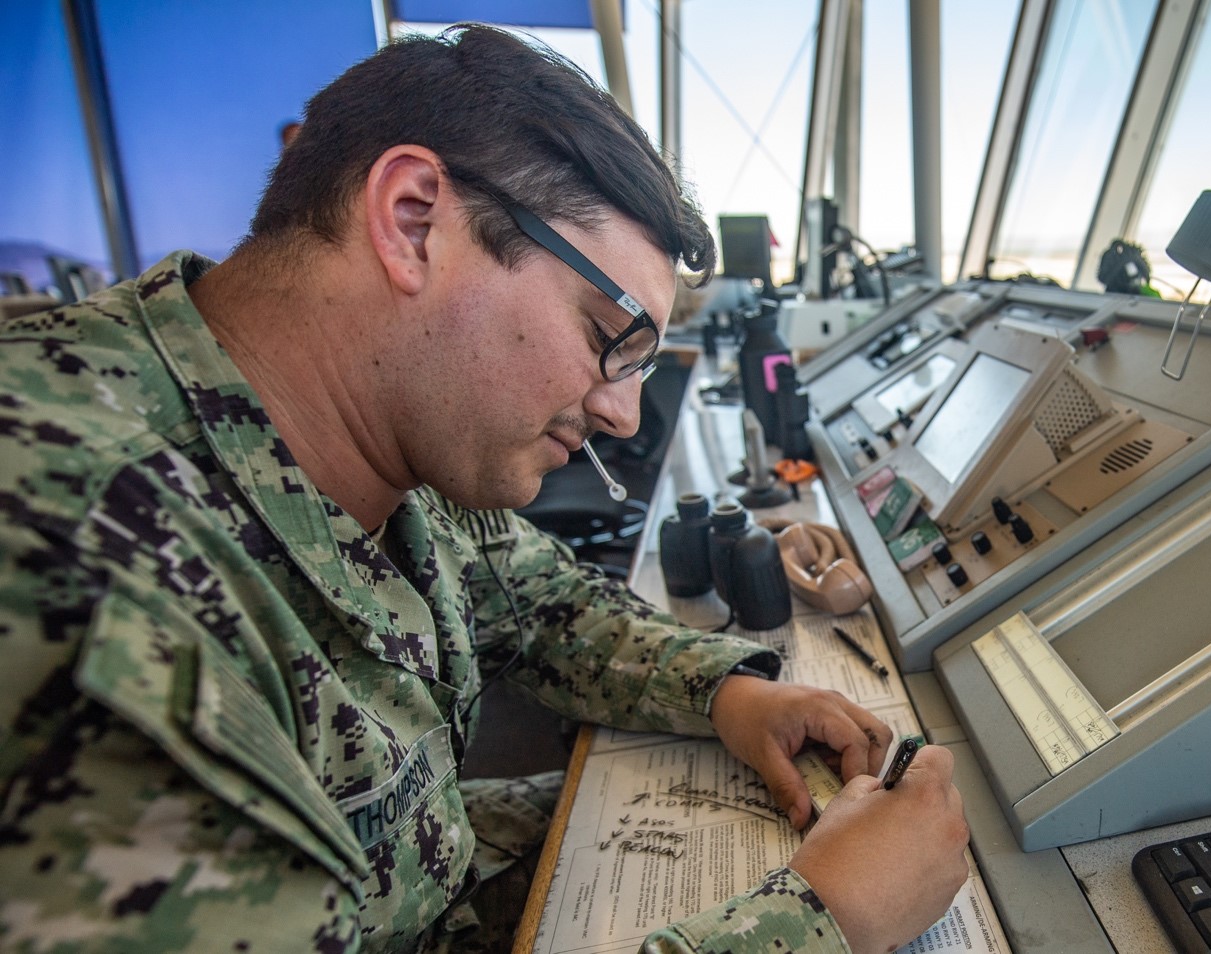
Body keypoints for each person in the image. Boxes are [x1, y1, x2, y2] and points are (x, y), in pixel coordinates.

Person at [0, 24, 969, 953]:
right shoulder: (71, 550)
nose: (623, 414)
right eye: (609, 338)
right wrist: (822, 922)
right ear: (413, 220)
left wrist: (729, 693)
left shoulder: (392, 438)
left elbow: (542, 608)